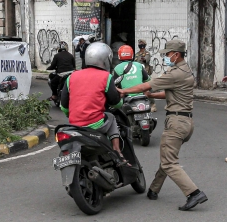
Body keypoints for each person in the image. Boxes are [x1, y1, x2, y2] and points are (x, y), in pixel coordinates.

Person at [117, 40, 208, 211]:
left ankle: (194, 193)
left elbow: (146, 84)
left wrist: (124, 91)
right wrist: (152, 95)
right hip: (187, 122)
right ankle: (153, 189)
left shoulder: (174, 74)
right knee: (168, 157)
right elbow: (170, 94)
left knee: (169, 162)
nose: (166, 57)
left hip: (176, 122)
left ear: (176, 54)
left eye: (168, 54)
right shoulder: (186, 70)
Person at [60, 42, 128, 164]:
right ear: (106, 59)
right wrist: (121, 99)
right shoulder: (106, 77)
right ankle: (117, 150)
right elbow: (116, 103)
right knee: (111, 117)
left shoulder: (72, 76)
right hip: (95, 124)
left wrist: (71, 115)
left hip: (74, 125)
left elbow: (64, 106)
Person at [135, 39, 156, 112]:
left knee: (148, 88)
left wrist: (141, 58)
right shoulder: (137, 54)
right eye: (139, 43)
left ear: (144, 45)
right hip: (138, 73)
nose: (140, 45)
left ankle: (152, 104)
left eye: (142, 43)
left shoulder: (147, 54)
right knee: (139, 88)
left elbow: (145, 60)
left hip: (145, 73)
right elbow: (135, 62)